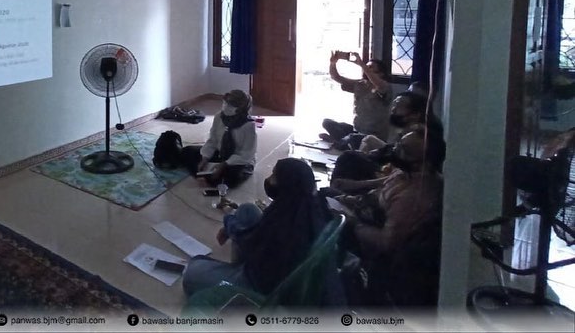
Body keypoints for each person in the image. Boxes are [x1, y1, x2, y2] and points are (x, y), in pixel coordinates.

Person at [182, 158, 334, 298]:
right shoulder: (304, 206)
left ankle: (233, 276)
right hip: (264, 265)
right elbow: (257, 235)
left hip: (258, 285)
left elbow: (247, 239)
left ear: (286, 184)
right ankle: (234, 268)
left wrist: (229, 222)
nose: (269, 179)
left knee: (192, 273)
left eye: (274, 176)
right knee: (247, 209)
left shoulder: (284, 225)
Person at [333, 126, 445, 305]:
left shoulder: (414, 196)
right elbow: (380, 190)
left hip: (369, 242)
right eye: (399, 144)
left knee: (316, 212)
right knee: (323, 195)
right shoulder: (406, 173)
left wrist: (352, 221)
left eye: (405, 150)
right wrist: (348, 198)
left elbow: (386, 242)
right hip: (363, 212)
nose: (395, 150)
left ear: (424, 162)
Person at [329, 90, 444, 189]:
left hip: (388, 175)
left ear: (416, 114)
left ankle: (336, 191)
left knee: (348, 157)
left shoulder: (419, 137)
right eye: (394, 104)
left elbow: (402, 173)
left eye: (398, 106)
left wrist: (359, 184)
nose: (393, 109)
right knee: (358, 141)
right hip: (388, 165)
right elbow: (391, 150)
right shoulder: (410, 129)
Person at [181, 90, 256, 188]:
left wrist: (224, 164)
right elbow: (212, 140)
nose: (225, 106)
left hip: (238, 160)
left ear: (240, 108)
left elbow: (247, 154)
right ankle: (205, 175)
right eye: (225, 103)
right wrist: (205, 158)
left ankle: (209, 178)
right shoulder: (219, 117)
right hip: (221, 153)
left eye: (230, 105)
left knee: (234, 175)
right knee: (187, 151)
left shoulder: (248, 126)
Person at [320, 52, 391, 149]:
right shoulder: (361, 84)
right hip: (357, 130)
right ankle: (343, 142)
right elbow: (336, 77)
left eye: (370, 68)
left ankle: (340, 142)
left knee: (352, 138)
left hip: (373, 136)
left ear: (381, 73)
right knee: (327, 122)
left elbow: (378, 84)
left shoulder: (385, 87)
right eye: (366, 67)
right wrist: (333, 63)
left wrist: (361, 64)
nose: (366, 69)